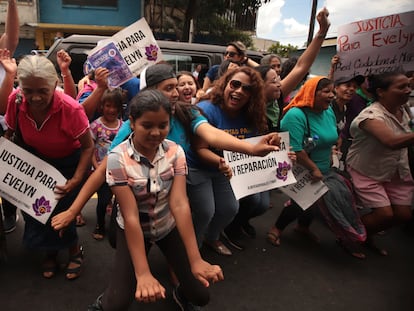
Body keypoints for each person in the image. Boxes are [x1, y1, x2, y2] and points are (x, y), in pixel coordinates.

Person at [51, 64, 280, 232]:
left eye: (176, 87)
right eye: (169, 88)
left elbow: (210, 133)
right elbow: (104, 169)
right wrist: (73, 210)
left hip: (175, 192)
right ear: (150, 92)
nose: (176, 92)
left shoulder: (185, 112)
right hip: (139, 200)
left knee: (192, 226)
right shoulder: (135, 123)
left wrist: (249, 149)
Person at [87, 89, 224, 311]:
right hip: (131, 227)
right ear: (132, 122)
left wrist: (196, 258)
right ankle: (102, 302)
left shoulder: (176, 152)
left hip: (166, 225)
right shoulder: (116, 159)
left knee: (201, 296)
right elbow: (130, 215)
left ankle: (181, 292)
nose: (156, 133)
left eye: (163, 125)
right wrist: (143, 273)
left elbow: (180, 204)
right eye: (147, 125)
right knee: (117, 305)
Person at [4, 55, 94, 279]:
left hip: (69, 164)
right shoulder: (15, 100)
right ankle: (50, 253)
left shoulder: (71, 110)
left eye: (42, 91)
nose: (35, 97)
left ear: (55, 85)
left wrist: (76, 179)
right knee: (38, 211)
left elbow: (88, 147)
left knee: (64, 211)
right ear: (20, 86)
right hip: (35, 161)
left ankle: (74, 251)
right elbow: (10, 131)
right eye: (28, 90)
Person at [267, 76, 366, 259]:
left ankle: (302, 227)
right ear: (312, 92)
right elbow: (296, 148)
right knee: (302, 201)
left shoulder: (327, 111)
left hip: (323, 167)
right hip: (302, 167)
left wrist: (331, 153)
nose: (331, 95)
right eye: (326, 91)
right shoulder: (296, 115)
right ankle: (276, 229)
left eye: (331, 91)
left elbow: (330, 137)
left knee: (315, 202)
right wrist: (313, 169)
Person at [187, 66, 270, 255]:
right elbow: (200, 149)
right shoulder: (206, 110)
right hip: (198, 168)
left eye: (247, 89)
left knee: (229, 208)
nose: (240, 91)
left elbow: (252, 148)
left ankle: (212, 238)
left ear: (252, 95)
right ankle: (191, 251)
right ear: (225, 85)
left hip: (224, 171)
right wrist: (221, 162)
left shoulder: (251, 115)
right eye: (235, 84)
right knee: (206, 211)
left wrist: (279, 155)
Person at [346, 71, 413, 255]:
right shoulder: (370, 116)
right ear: (381, 92)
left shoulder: (404, 109)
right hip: (367, 170)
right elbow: (391, 142)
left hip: (396, 170)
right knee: (384, 214)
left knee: (403, 214)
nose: (408, 90)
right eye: (401, 87)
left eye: (408, 85)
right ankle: (348, 236)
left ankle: (366, 235)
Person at [89, 88, 124, 240]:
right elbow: (89, 149)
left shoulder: (124, 127)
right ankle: (100, 224)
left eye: (115, 106)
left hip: (118, 171)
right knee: (102, 200)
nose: (111, 109)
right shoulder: (96, 126)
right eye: (108, 105)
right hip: (99, 170)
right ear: (102, 106)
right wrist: (97, 168)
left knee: (120, 199)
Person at [0, 0, 20, 234]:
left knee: (6, 174)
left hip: (3, 126)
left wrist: (12, 2)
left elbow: (12, 37)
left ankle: (9, 212)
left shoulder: (2, 54)